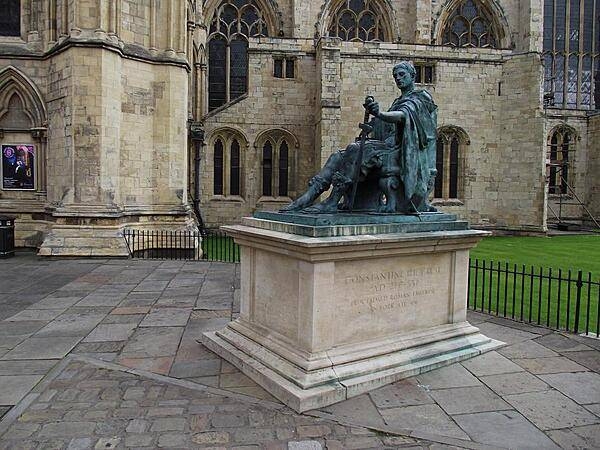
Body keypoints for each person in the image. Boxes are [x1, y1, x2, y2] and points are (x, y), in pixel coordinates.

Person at [281, 61, 438, 214]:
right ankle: (308, 197)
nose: (398, 78)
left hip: (403, 151)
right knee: (338, 155)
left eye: (402, 75)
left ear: (412, 75)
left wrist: (380, 114)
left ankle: (332, 201)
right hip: (388, 147)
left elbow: (403, 116)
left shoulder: (421, 97)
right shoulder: (399, 101)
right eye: (395, 75)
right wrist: (374, 121)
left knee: (356, 150)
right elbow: (386, 124)